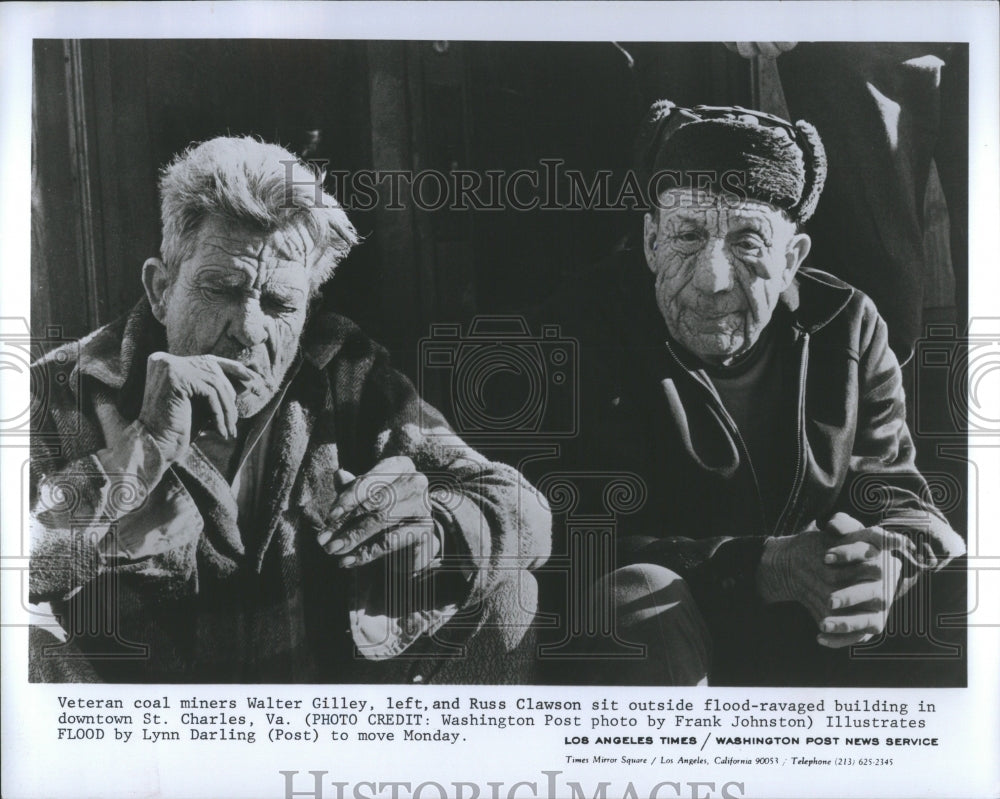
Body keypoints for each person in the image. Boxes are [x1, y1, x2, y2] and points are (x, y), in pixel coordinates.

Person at [28, 136, 551, 683]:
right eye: (221, 289)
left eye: (279, 304)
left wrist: (438, 530)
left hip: (318, 736)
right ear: (161, 290)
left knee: (511, 594)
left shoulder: (348, 372)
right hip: (150, 747)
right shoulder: (59, 390)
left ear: (306, 314)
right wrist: (133, 460)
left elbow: (528, 514)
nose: (250, 328)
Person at [536, 101, 965, 686]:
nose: (713, 280)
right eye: (687, 236)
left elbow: (900, 498)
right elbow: (564, 543)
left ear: (792, 260)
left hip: (814, 630)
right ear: (650, 240)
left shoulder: (848, 323)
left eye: (747, 242)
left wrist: (888, 557)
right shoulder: (577, 329)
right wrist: (764, 565)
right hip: (670, 629)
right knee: (635, 597)